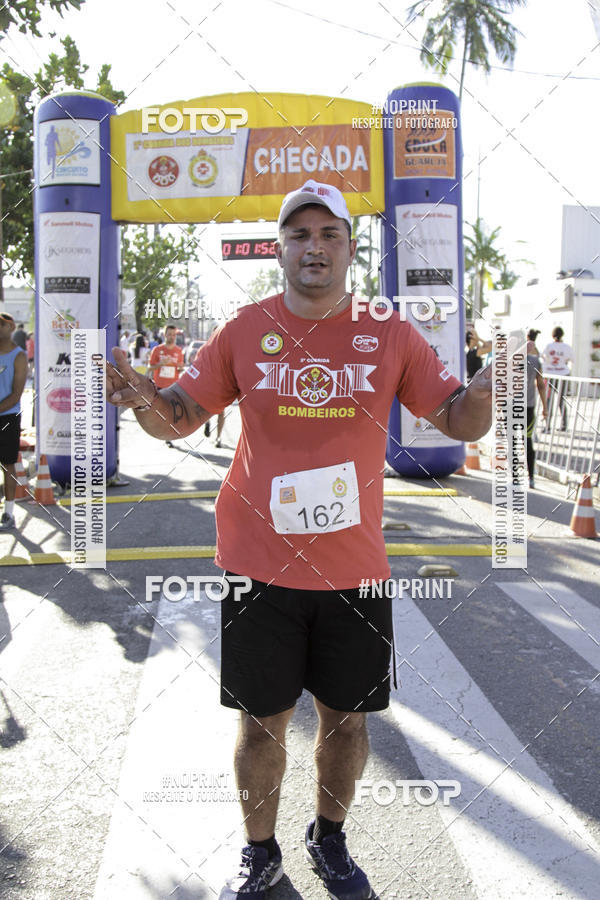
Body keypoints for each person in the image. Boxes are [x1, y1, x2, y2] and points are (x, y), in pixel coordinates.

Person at [106, 179, 492, 900]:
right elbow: (179, 417)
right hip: (260, 567)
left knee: (347, 728)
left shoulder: (390, 330)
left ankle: (330, 838)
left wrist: (489, 389)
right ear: (280, 248)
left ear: (350, 246)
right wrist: (144, 407)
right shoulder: (244, 328)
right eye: (299, 235)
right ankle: (260, 851)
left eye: (328, 235)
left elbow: (459, 422)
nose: (314, 247)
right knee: (261, 729)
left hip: (354, 571)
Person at [0, 313, 28, 530]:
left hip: (8, 417)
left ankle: (9, 513)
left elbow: (16, 395)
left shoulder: (19, 356)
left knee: (8, 465)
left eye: (1, 325)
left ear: (10, 328)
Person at [146, 324, 185, 448]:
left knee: (172, 413)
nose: (172, 337)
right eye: (169, 334)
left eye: (174, 335)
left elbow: (181, 367)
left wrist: (178, 365)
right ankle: (162, 432)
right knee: (161, 412)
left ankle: (168, 437)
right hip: (160, 386)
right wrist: (160, 363)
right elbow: (149, 367)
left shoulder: (178, 351)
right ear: (164, 335)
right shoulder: (157, 350)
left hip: (173, 387)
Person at [526, 333, 548, 489]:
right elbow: (541, 385)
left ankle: (514, 477)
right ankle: (531, 477)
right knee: (527, 441)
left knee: (513, 441)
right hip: (528, 407)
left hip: (510, 408)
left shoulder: (505, 362)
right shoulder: (535, 361)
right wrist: (545, 408)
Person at [542, 326, 573, 430]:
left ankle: (547, 425)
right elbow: (572, 359)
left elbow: (542, 356)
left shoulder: (549, 346)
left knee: (548, 400)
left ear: (552, 335)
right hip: (563, 374)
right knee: (561, 401)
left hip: (550, 375)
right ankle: (564, 425)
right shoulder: (567, 347)